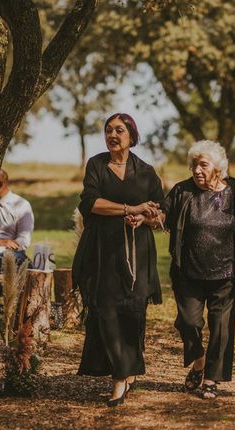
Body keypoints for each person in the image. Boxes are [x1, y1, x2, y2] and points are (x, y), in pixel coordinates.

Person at [72, 113, 163, 407]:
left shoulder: (147, 172)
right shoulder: (97, 165)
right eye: (108, 130)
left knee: (134, 312)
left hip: (138, 252)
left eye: (119, 130)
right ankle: (120, 378)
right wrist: (129, 208)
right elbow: (91, 203)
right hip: (102, 250)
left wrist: (147, 217)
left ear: (132, 136)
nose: (113, 135)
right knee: (107, 310)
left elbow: (161, 216)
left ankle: (129, 369)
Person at [163, 140, 235, 399]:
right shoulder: (182, 191)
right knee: (189, 323)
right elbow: (163, 216)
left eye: (203, 165)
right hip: (189, 273)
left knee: (221, 327)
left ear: (218, 167)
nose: (197, 170)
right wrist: (149, 216)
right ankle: (198, 360)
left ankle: (210, 378)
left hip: (226, 273)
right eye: (194, 165)